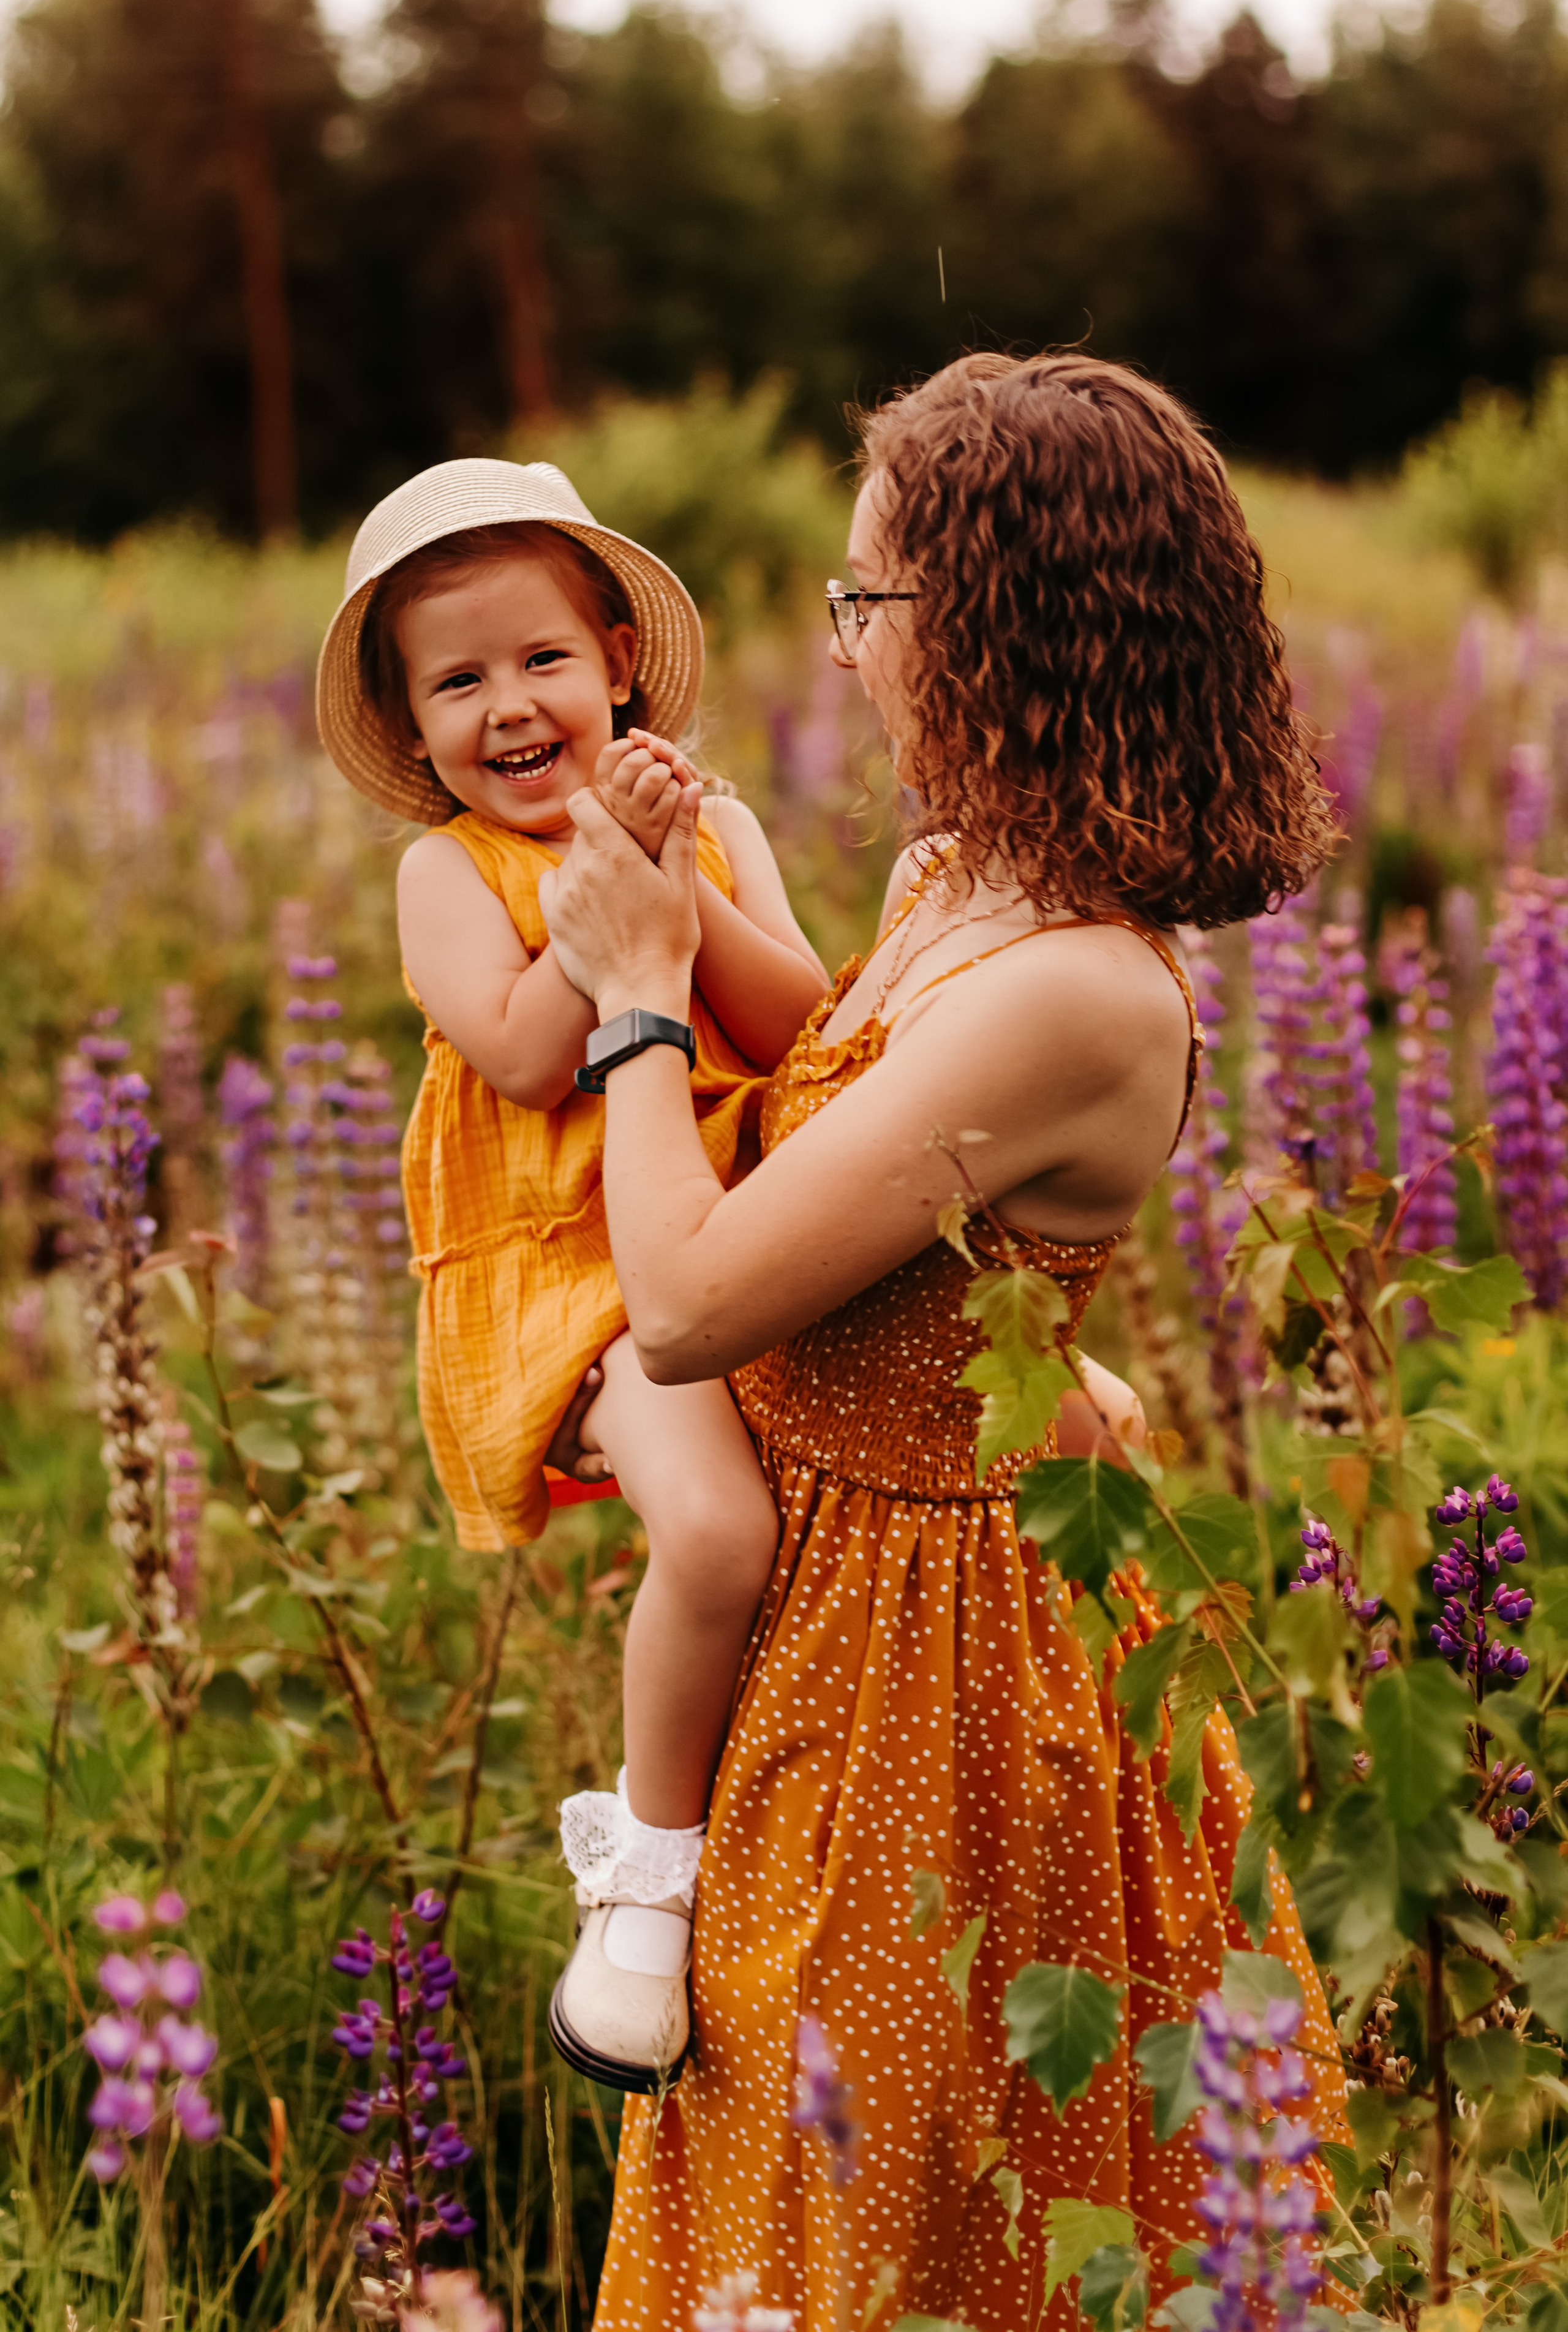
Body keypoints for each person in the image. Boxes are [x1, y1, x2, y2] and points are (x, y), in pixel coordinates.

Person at [532, 354, 1343, 2331]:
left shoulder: (1084, 994)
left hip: (945, 1657)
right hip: (831, 1583)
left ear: (990, 626)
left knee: (882, 2188)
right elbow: (868, 1134)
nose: (848, 650)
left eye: (866, 602)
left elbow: (702, 1300)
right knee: (794, 2161)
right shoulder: (955, 877)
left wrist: (638, 995)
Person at [314, 458, 831, 2089]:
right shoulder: (447, 876)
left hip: (755, 1217)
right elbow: (537, 1059)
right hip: (583, 1276)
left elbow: (798, 1025)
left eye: (540, 659)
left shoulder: (711, 812)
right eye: (457, 683)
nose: (511, 707)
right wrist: (610, 912)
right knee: (719, 1524)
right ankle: (649, 1883)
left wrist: (670, 878)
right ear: (414, 736)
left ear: (616, 656)